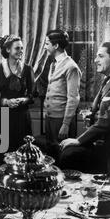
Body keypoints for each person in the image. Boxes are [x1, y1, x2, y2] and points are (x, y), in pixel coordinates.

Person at [59, 42, 110, 177]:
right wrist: (92, 114)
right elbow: (103, 110)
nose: (95, 60)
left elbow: (109, 120)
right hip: (101, 142)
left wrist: (79, 140)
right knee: (65, 152)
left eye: (100, 56)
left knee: (68, 155)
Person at [0, 35, 34, 175]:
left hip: (22, 118)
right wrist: (5, 102)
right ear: (7, 49)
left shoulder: (27, 69)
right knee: (2, 152)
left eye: (22, 48)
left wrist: (23, 100)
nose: (21, 51)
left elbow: (32, 96)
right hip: (3, 118)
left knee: (22, 152)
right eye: (17, 48)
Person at [43, 30, 81, 160]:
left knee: (63, 155)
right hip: (51, 117)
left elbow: (73, 98)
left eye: (47, 43)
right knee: (51, 152)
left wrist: (65, 124)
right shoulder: (54, 63)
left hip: (61, 119)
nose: (44, 47)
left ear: (56, 46)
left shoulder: (71, 67)